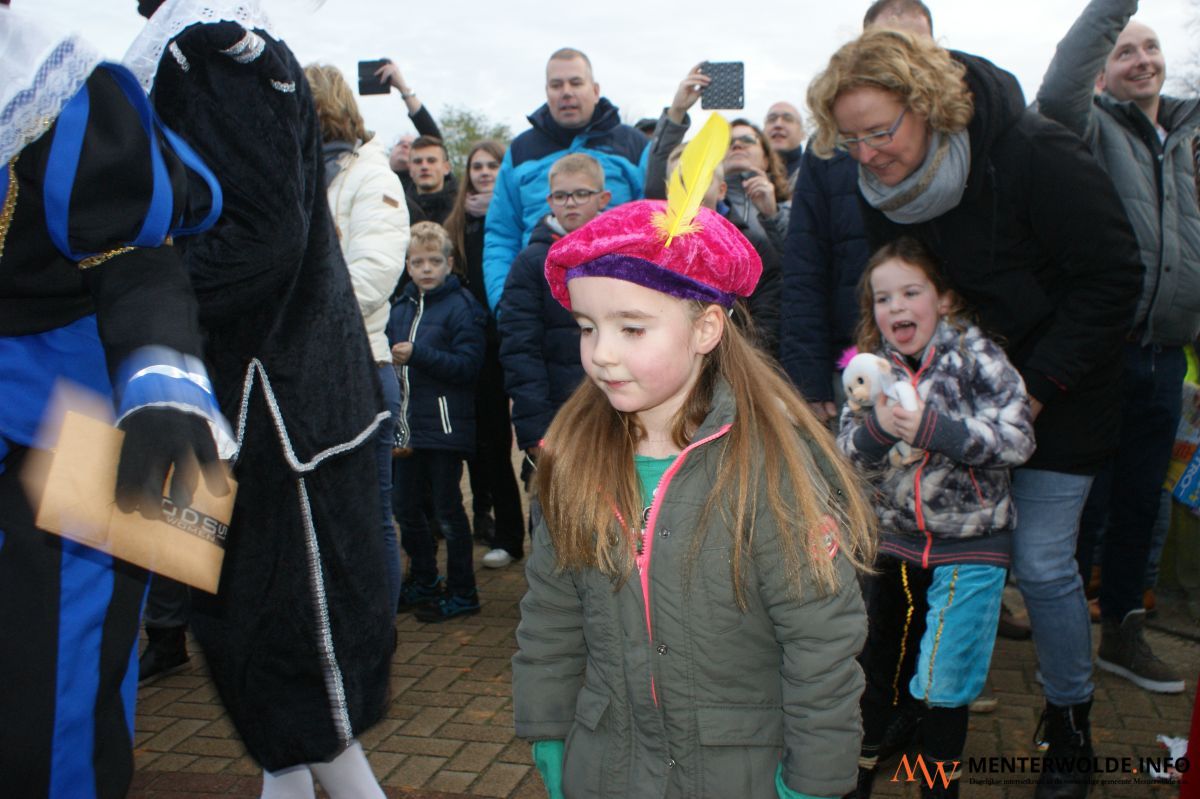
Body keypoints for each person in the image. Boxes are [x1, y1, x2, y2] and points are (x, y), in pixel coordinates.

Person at [806, 28, 1142, 799]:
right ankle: (908, 704)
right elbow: (895, 290)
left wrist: (1034, 387)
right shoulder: (881, 189)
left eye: (880, 132)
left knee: (1043, 562)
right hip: (949, 403)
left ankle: (1070, 720)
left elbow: (1114, 276)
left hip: (1060, 389)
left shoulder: (1036, 154)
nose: (867, 155)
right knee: (922, 554)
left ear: (926, 106)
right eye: (850, 140)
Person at [512, 136, 876, 797]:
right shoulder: (571, 460)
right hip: (608, 769)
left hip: (741, 775)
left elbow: (821, 644)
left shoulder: (772, 466)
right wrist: (549, 732)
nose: (601, 354)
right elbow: (551, 616)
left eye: (631, 328)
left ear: (706, 328)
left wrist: (814, 780)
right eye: (588, 327)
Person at [128, 3, 394, 796]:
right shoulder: (181, 47)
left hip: (251, 404)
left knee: (278, 642)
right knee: (240, 640)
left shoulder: (209, 48)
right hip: (187, 390)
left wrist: (122, 287)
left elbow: (263, 237)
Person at [0, 5, 229, 794]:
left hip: (78, 421)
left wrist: (164, 384)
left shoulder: (61, 90)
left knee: (54, 698)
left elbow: (137, 260)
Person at [1037, 0, 1199, 696]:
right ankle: (1063, 638)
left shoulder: (1188, 136)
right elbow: (1058, 90)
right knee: (1086, 503)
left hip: (1166, 353)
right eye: (1125, 50)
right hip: (1105, 350)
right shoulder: (1091, 125)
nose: (1143, 60)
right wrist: (1114, 8)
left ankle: (1124, 631)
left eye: (1151, 47)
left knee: (1142, 501)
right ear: (1103, 73)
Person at [837, 238, 1036, 799]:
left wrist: (936, 430)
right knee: (876, 673)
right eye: (883, 298)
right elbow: (844, 453)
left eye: (911, 292)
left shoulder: (978, 360)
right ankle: (855, 780)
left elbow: (1019, 438)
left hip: (970, 550)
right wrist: (878, 432)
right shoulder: (869, 370)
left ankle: (936, 786)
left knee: (943, 684)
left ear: (943, 299)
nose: (896, 307)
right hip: (895, 545)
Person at [780, 0, 932, 425]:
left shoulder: (959, 136)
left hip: (946, 362)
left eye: (916, 46)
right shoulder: (829, 148)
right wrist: (806, 377)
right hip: (855, 365)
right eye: (887, 46)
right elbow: (805, 263)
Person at [306, 62, 411, 611]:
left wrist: (294, 315)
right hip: (303, 368)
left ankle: (375, 634)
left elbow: (371, 276)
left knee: (368, 515)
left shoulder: (371, 178)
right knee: (317, 516)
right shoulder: (297, 174)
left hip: (360, 366)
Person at [481, 47, 648, 310]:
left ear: (595, 90)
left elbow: (654, 224)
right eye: (556, 85)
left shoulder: (634, 144)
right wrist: (504, 303)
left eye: (576, 83)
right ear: (547, 91)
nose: (566, 92)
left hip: (619, 297)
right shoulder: (520, 150)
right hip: (536, 303)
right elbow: (502, 233)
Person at [388, 222, 487, 622]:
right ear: (407, 266)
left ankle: (463, 590)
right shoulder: (400, 306)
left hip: (445, 427)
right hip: (407, 429)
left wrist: (418, 355)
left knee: (448, 512)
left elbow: (468, 366)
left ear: (449, 262)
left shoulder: (462, 306)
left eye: (434, 261)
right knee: (404, 509)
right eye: (417, 262)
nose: (426, 269)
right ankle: (424, 579)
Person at [495, 153, 605, 512]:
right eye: (561, 195)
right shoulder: (530, 263)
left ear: (603, 198)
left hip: (614, 408)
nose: (570, 203)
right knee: (554, 514)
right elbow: (519, 350)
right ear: (549, 201)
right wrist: (535, 429)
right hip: (556, 415)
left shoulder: (622, 255)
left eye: (581, 194)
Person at [443, 141, 526, 563]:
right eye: (477, 166)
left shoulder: (518, 215)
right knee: (490, 443)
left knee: (538, 434)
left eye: (493, 164)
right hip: (479, 345)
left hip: (519, 335)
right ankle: (506, 535)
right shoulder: (457, 224)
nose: (484, 171)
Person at [407, 135, 456, 224]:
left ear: (446, 168)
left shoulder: (463, 208)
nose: (424, 167)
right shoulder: (400, 207)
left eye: (431, 161)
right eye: (418, 162)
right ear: (410, 169)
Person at [765, 101, 806, 183]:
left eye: (788, 119)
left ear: (802, 134)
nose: (778, 124)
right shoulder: (748, 173)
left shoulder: (814, 172)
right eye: (772, 119)